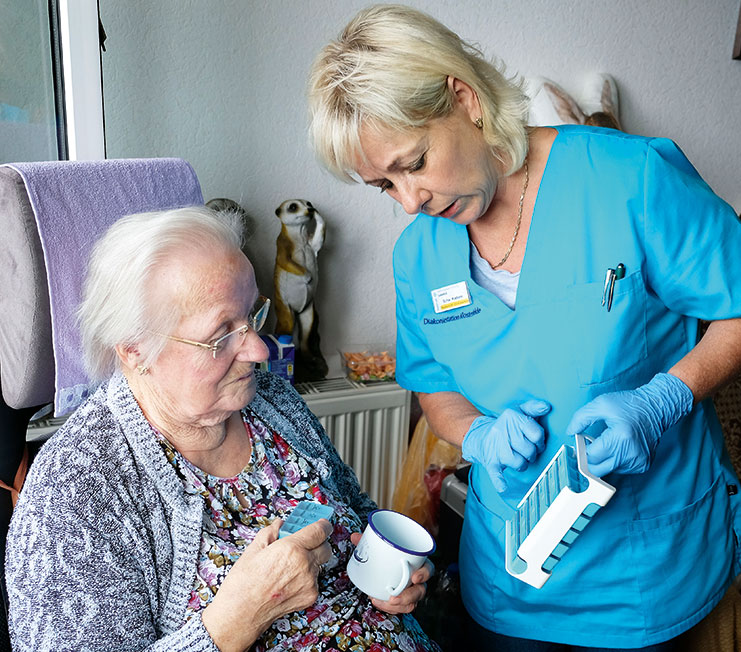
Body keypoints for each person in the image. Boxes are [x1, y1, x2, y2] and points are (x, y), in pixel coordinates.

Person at [307, 4, 741, 651]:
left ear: (465, 99)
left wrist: (661, 400)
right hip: (508, 581)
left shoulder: (629, 179)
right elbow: (435, 388)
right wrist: (475, 434)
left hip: (645, 573)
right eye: (383, 186)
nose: (410, 200)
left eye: (415, 161)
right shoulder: (419, 255)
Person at [5, 205, 440, 652]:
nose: (258, 350)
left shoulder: (270, 398)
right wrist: (236, 619)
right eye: (221, 335)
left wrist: (389, 573)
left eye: (252, 315)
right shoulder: (75, 489)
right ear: (136, 350)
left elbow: (354, 506)